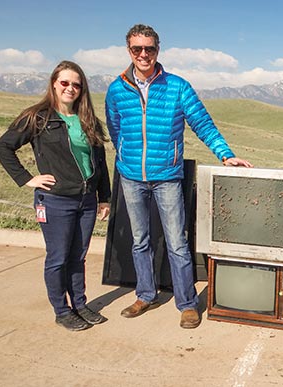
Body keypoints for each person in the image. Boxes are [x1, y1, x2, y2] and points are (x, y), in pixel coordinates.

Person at [105, 24, 252, 329]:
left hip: (167, 177)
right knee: (139, 240)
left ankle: (187, 303)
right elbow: (114, 128)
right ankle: (145, 294)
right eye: (137, 49)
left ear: (158, 49)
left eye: (149, 48)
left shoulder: (178, 87)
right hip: (131, 176)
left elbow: (203, 123)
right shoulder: (116, 90)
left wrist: (224, 154)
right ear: (128, 51)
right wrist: (124, 155)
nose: (144, 54)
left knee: (177, 242)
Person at [0, 60, 112, 331]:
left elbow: (100, 162)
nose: (70, 88)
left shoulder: (88, 120)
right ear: (54, 84)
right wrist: (27, 179)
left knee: (78, 257)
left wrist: (103, 197)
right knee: (58, 257)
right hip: (56, 200)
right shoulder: (38, 116)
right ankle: (62, 310)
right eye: (65, 83)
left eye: (77, 85)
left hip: (86, 200)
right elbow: (3, 147)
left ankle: (80, 305)